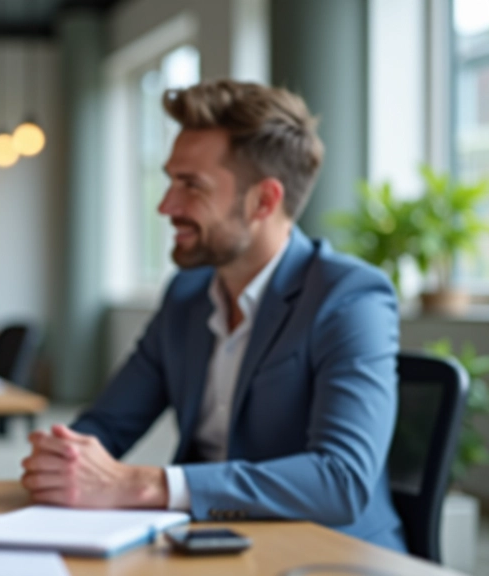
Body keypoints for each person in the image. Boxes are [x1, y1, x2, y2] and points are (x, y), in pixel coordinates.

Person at [20, 80, 406, 551]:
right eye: (169, 180)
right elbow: (108, 423)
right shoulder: (186, 296)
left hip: (326, 554)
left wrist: (147, 485)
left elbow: (340, 480)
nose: (166, 206)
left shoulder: (349, 298)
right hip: (206, 547)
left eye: (191, 185)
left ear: (263, 200)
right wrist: (64, 455)